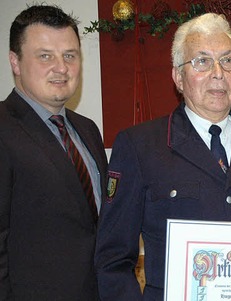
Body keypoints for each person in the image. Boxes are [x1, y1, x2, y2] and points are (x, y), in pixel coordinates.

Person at [94, 13, 231, 300]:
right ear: (179, 77)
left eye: (228, 61)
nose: (218, 72)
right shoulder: (140, 146)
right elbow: (113, 259)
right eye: (202, 61)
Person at [0, 4, 107, 300]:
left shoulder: (87, 130)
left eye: (70, 55)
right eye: (45, 56)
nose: (61, 68)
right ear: (16, 62)